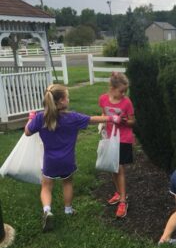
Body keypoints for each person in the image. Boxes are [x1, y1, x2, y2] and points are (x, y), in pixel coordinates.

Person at [24, 84, 121, 233]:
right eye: (67, 97)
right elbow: (92, 119)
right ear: (62, 101)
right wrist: (111, 118)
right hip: (67, 160)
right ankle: (68, 210)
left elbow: (27, 132)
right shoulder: (73, 117)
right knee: (67, 182)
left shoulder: (40, 118)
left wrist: (30, 119)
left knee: (46, 186)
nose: (68, 99)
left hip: (50, 161)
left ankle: (47, 210)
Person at [99, 72, 135, 218]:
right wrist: (102, 122)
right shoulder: (103, 99)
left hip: (123, 139)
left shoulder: (127, 102)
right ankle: (118, 192)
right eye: (121, 91)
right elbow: (103, 114)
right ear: (112, 88)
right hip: (110, 138)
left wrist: (124, 121)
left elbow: (133, 121)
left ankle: (122, 200)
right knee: (112, 167)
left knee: (119, 168)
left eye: (125, 91)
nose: (124, 94)